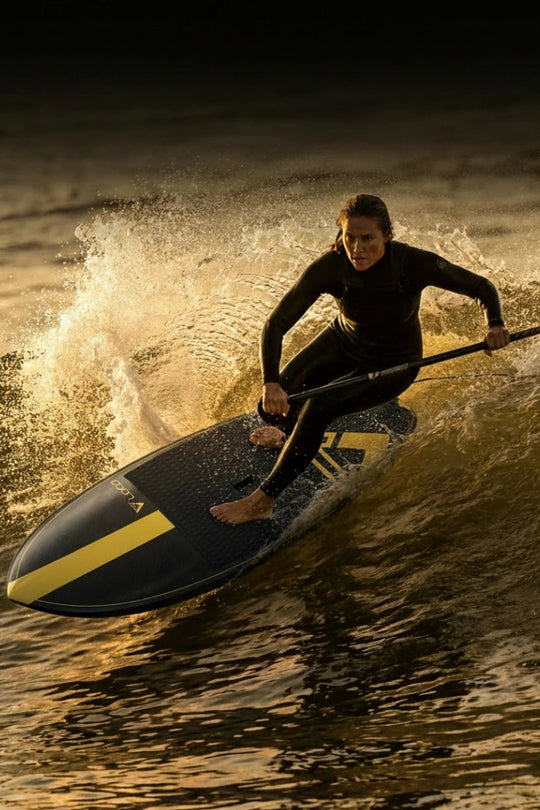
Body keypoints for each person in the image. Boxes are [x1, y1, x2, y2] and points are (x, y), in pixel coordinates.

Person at [210, 194, 510, 525]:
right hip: (344, 341)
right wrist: (271, 382)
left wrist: (495, 323)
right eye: (349, 237)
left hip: (393, 362)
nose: (357, 248)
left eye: (367, 238)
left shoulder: (412, 263)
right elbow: (276, 323)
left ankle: (261, 502)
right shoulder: (332, 266)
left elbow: (481, 286)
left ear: (387, 236)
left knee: (318, 408)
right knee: (270, 405)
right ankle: (287, 436)